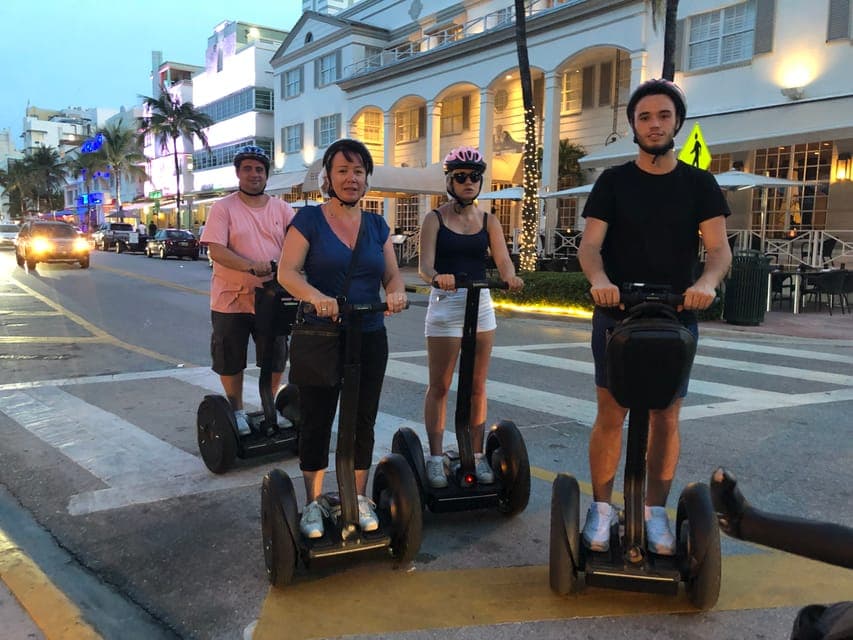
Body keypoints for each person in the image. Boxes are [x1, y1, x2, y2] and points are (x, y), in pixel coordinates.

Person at [577, 79, 732, 555]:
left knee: (667, 415)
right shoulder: (614, 181)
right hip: (617, 313)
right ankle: (601, 509)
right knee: (611, 412)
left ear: (677, 123)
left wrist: (706, 284)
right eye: (644, 117)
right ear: (634, 127)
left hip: (677, 314)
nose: (654, 124)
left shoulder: (699, 184)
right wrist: (599, 282)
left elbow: (719, 249)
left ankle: (654, 510)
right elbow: (589, 247)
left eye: (663, 115)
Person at [277, 138, 408, 539]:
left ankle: (359, 496)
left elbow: (391, 274)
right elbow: (287, 272)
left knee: (362, 420)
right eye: (343, 171)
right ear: (328, 178)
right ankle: (314, 502)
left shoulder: (376, 224)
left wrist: (395, 293)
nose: (351, 178)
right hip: (322, 336)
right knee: (317, 419)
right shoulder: (309, 221)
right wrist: (317, 298)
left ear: (367, 179)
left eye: (358, 171)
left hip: (369, 334)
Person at [417, 146, 524, 489]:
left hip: (480, 305)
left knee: (477, 385)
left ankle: (476, 456)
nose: (468, 182)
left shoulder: (489, 220)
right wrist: (437, 277)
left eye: (474, 177)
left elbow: (503, 259)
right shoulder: (435, 219)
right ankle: (435, 457)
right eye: (460, 177)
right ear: (449, 180)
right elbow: (424, 266)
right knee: (441, 385)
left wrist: (511, 276)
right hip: (447, 304)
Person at [200, 146, 295, 435]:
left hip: (272, 297)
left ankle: (270, 405)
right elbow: (216, 249)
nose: (254, 174)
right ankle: (237, 410)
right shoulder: (223, 207)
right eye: (248, 169)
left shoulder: (282, 208)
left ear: (266, 174)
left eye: (259, 169)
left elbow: (299, 241)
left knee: (276, 355)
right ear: (239, 173)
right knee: (230, 356)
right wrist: (250, 266)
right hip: (232, 298)